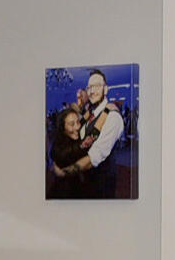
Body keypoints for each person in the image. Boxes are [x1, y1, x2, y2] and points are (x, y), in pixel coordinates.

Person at [49, 69, 129, 198]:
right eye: (89, 87)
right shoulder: (91, 112)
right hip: (82, 184)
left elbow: (93, 158)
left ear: (106, 89)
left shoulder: (113, 117)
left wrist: (63, 172)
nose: (91, 91)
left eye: (97, 86)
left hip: (100, 186)